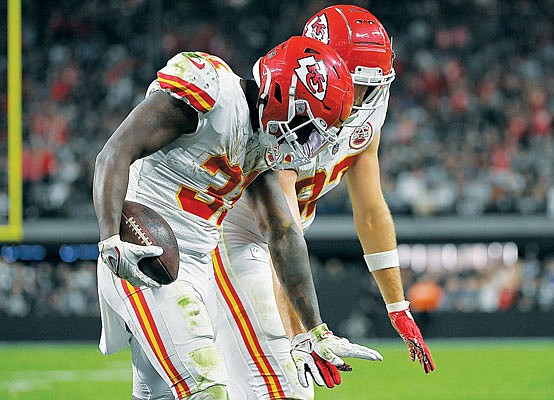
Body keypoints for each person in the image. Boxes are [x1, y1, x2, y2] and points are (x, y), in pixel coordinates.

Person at [93, 35, 383, 400]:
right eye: (309, 127)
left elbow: (282, 230)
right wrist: (109, 239)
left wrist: (314, 330)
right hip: (144, 253)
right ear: (282, 97)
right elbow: (114, 152)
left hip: (199, 267)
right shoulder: (212, 92)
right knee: (208, 387)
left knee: (158, 394)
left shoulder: (260, 141)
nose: (310, 144)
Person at [210, 5, 435, 400]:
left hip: (280, 240)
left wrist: (397, 305)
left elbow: (370, 210)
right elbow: (283, 231)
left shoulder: (367, 109)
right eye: (357, 84)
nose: (364, 98)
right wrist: (304, 335)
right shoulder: (289, 107)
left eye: (372, 86)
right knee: (280, 384)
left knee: (274, 386)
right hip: (236, 233)